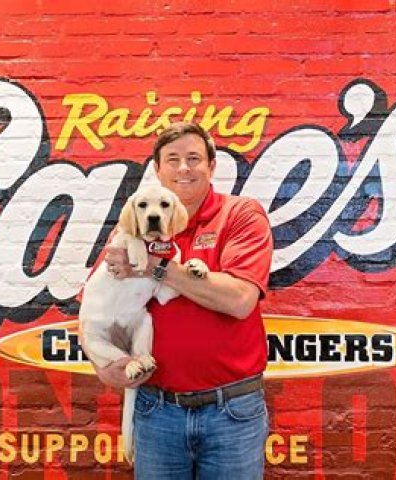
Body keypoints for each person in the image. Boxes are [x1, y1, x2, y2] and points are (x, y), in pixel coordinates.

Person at [96, 122, 272, 479]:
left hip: (232, 410)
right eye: (172, 160)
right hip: (157, 408)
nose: (183, 168)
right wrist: (103, 363)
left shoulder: (240, 215)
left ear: (211, 166)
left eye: (194, 158)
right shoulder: (131, 229)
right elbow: (99, 304)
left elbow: (240, 300)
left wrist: (155, 267)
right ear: (157, 169)